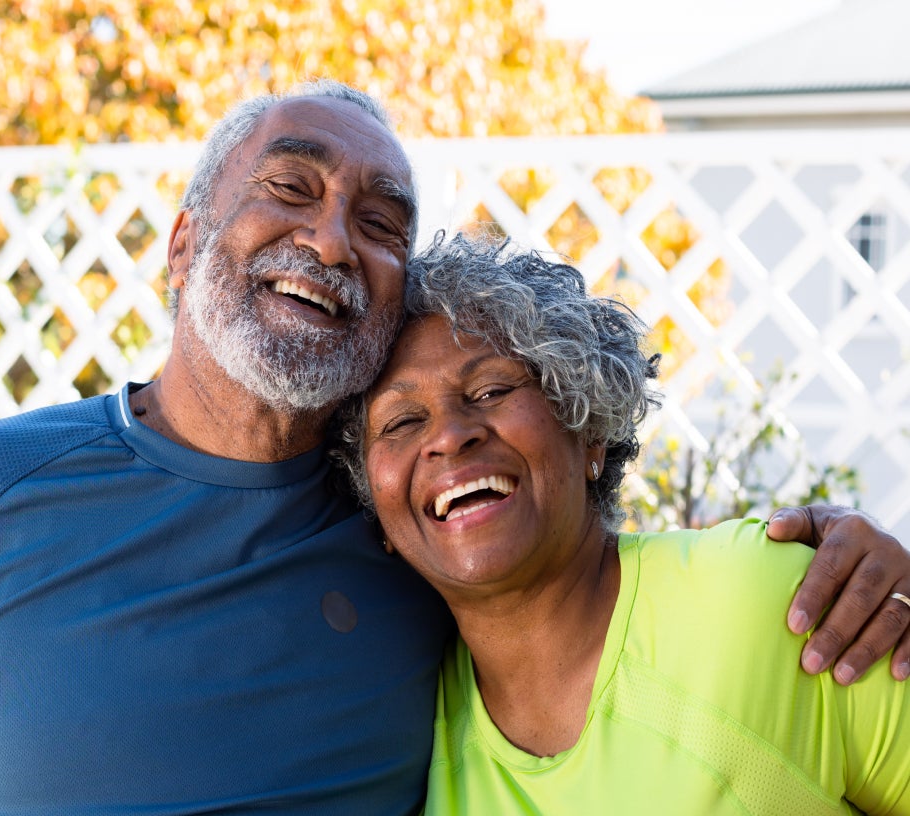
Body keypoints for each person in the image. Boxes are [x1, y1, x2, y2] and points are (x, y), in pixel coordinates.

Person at [0, 82, 906, 814]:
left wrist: (847, 557)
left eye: (380, 222)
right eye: (291, 188)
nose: (331, 240)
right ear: (185, 243)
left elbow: (611, 620)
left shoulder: (419, 542)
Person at [336, 232, 910, 814]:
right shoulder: (402, 722)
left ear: (589, 431)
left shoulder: (763, 600)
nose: (451, 435)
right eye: (402, 422)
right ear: (374, 506)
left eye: (490, 390)